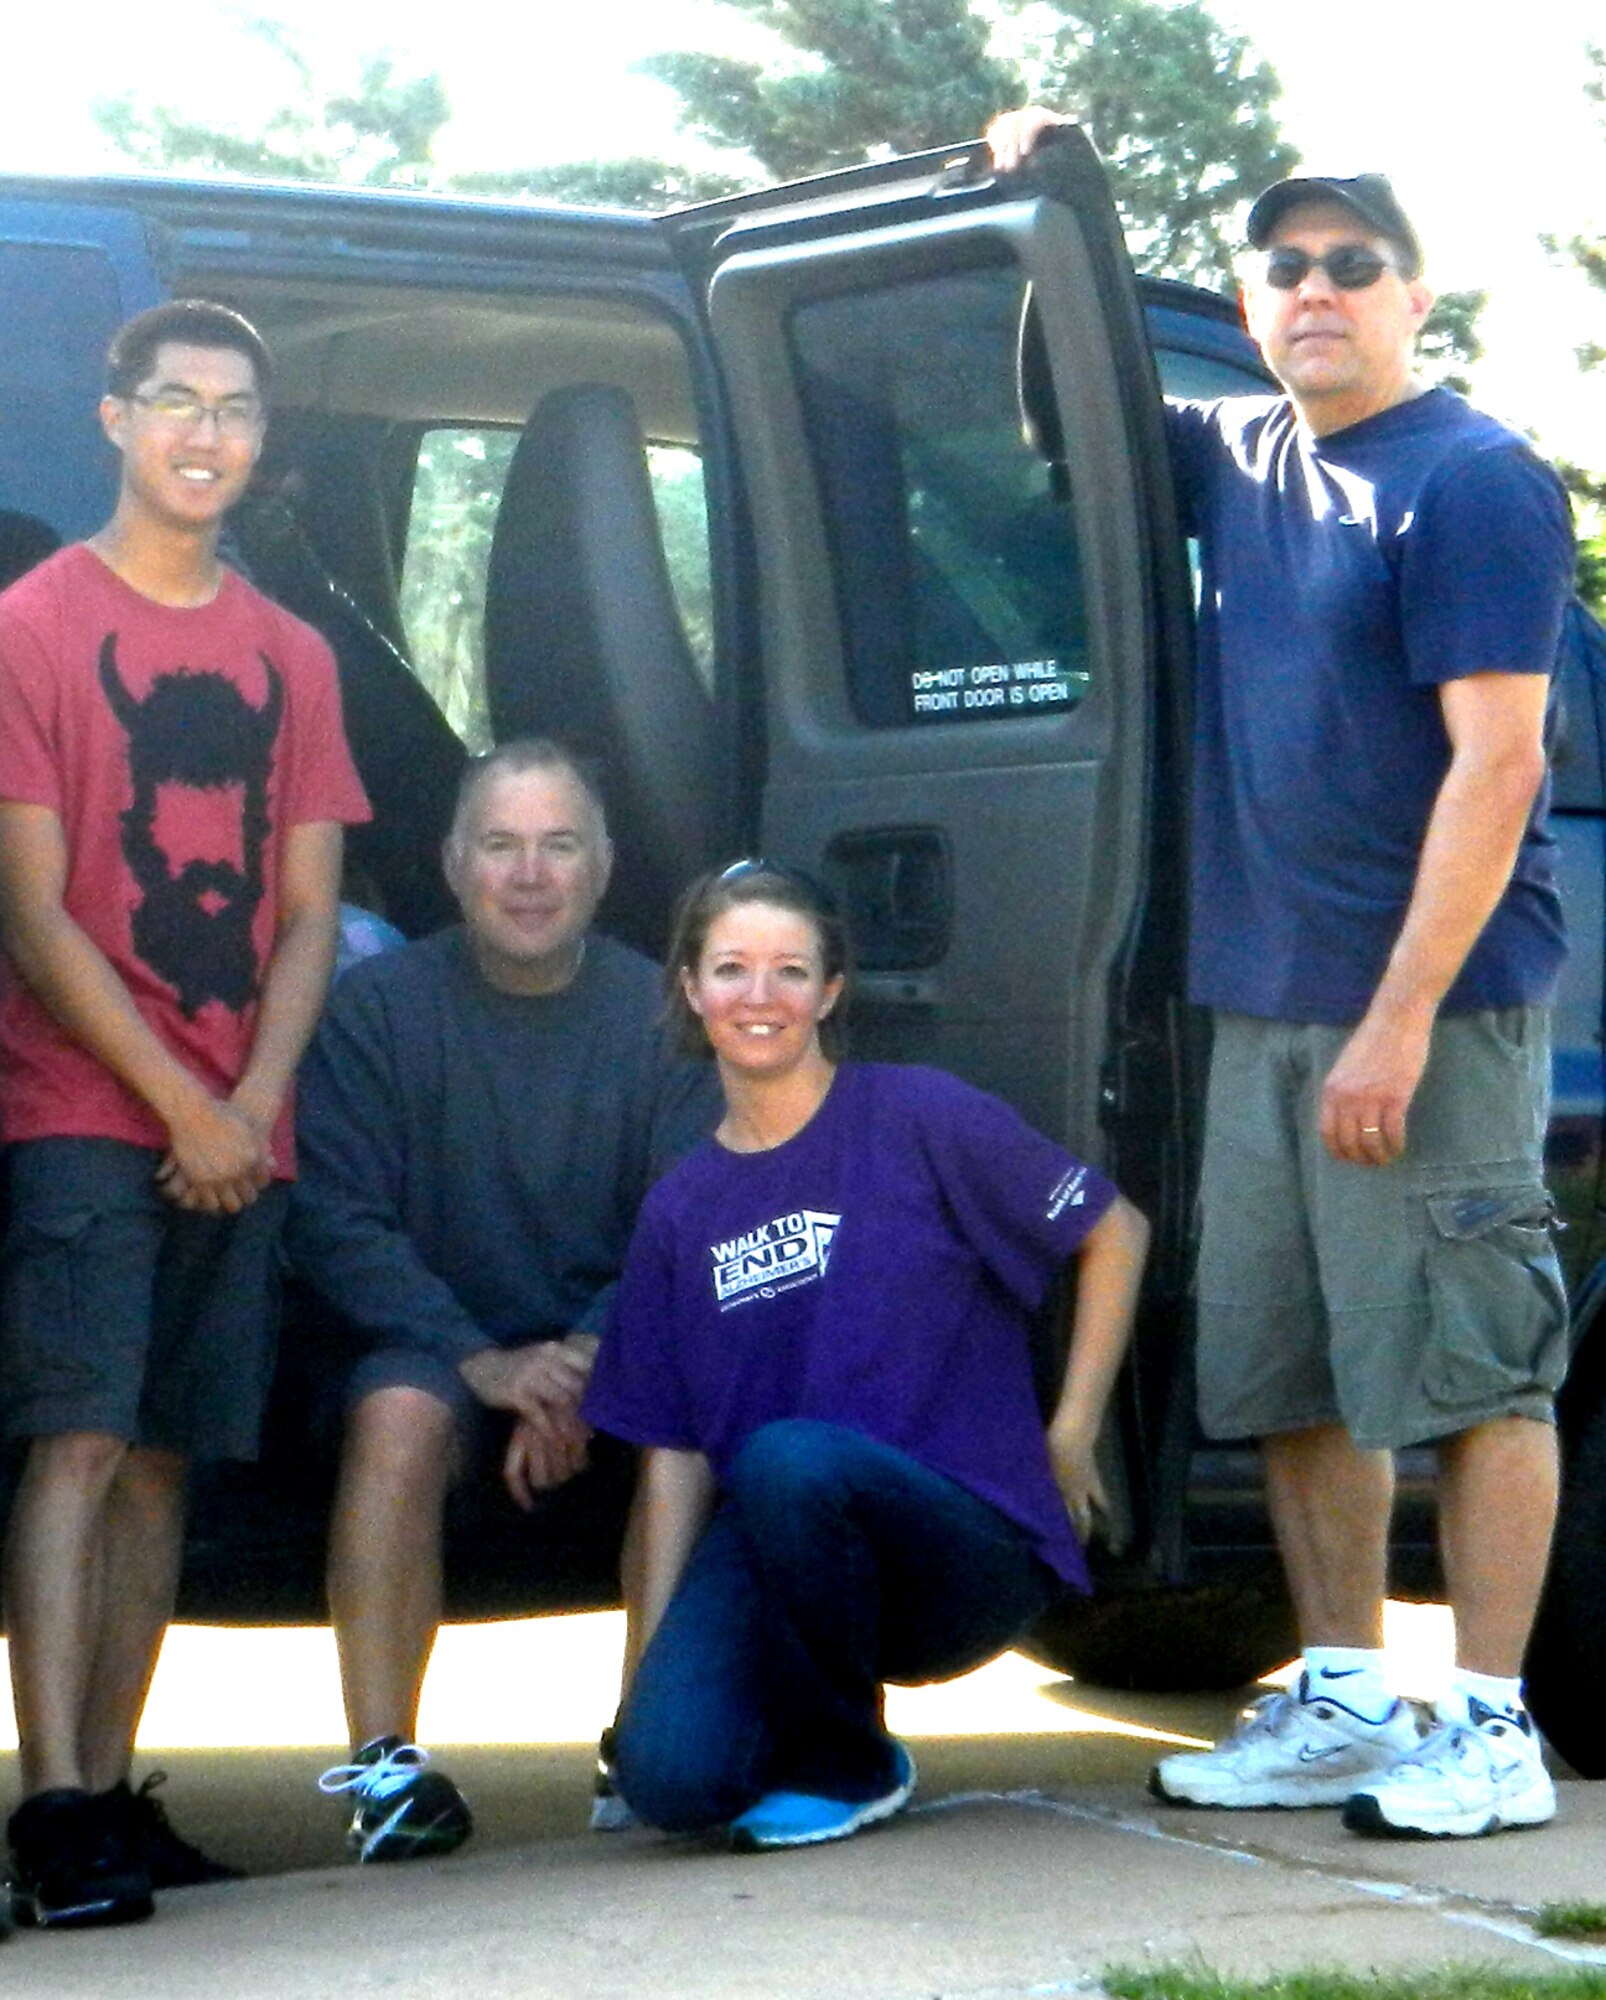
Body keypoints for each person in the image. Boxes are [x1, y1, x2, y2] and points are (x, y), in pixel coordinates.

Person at [989, 109, 1576, 1839]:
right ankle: (1337, 1696)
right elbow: (1060, 420)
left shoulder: (1468, 482)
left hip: (1434, 1014)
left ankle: (1486, 1727)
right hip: (1259, 1010)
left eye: (1351, 265)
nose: (1315, 290)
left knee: (1472, 1378)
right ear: (1253, 302)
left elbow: (1499, 770)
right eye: (1287, 267)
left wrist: (1393, 1026)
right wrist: (1054, 207)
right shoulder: (1240, 449)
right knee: (1297, 1377)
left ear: (1414, 297)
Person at [0, 299, 369, 1928]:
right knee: (74, 1441)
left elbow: (306, 915)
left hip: (244, 1120)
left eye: (232, 410)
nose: (203, 434)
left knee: (163, 1465)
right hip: (81, 1105)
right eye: (173, 402)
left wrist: (255, 1103)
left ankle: (116, 1786)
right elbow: (30, 911)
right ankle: (51, 1804)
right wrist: (177, 1103)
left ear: (259, 444)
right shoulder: (29, 629)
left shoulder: (292, 654)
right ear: (114, 416)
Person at [583, 860, 1149, 1851]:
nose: (760, 997)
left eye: (790, 970)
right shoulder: (679, 1205)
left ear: (831, 989)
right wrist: (645, 1682)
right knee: (669, 1779)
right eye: (730, 968)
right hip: (783, 1537)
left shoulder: (917, 1112)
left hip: (956, 1541)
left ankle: (847, 1764)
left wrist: (1071, 1429)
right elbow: (670, 1464)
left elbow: (1116, 1229)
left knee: (793, 1455)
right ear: (687, 986)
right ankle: (772, 1728)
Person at [288, 738, 717, 1863]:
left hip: (606, 1353)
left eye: (558, 844)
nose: (529, 874)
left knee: (683, 1420)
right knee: (396, 1410)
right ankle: (385, 1770)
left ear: (604, 864)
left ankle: (648, 1746)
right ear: (450, 861)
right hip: (438, 1353)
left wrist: (583, 1355)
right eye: (501, 844)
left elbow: (689, 1226)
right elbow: (333, 1219)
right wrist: (484, 1363)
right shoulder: (373, 1012)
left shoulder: (663, 1019)